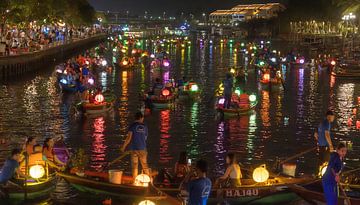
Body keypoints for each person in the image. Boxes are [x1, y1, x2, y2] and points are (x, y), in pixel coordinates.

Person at [120, 112, 150, 178]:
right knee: (145, 165)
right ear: (141, 118)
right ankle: (149, 181)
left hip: (134, 149)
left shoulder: (132, 126)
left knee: (134, 166)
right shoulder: (145, 126)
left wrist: (123, 147)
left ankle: (135, 181)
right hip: (142, 148)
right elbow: (145, 138)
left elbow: (128, 138)